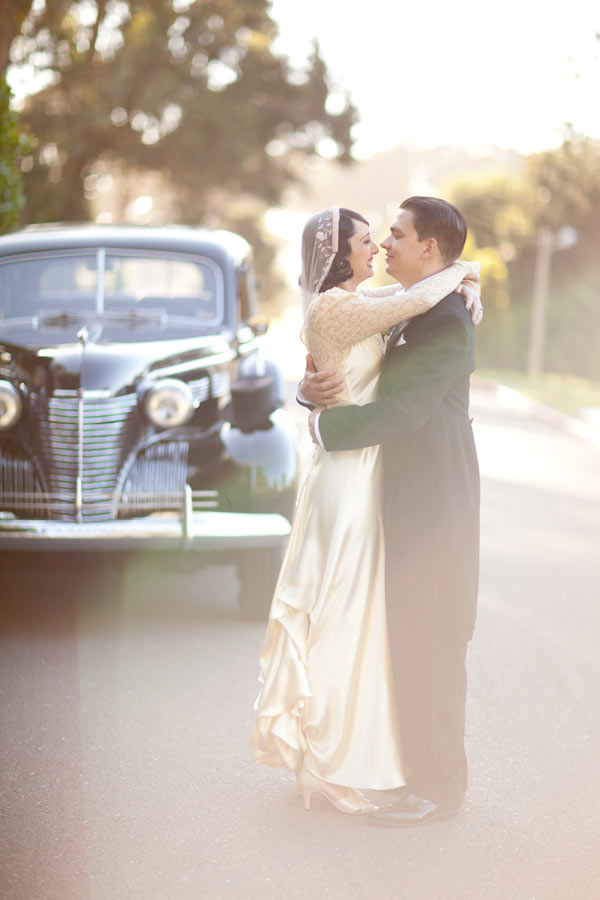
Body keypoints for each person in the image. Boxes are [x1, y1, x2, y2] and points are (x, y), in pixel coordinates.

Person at [251, 204, 481, 816]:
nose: (381, 245)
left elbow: (404, 411)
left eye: (395, 235)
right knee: (365, 626)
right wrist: (310, 398)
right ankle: (350, 755)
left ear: (429, 249)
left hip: (431, 499)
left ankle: (436, 787)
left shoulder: (445, 315)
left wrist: (323, 423)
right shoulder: (400, 306)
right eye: (370, 239)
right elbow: (342, 363)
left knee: (428, 638)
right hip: (373, 488)